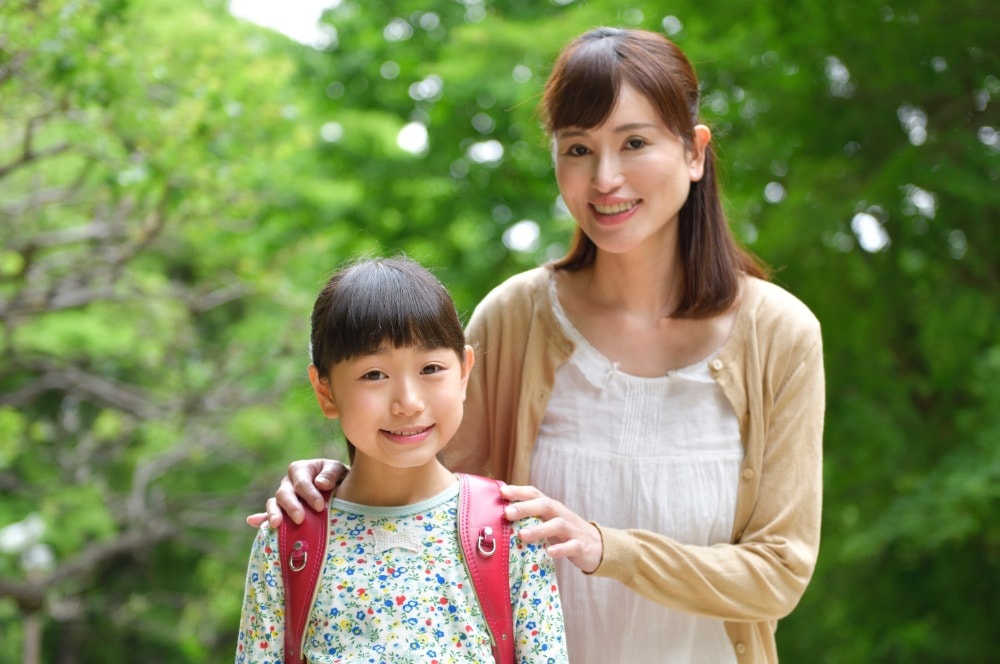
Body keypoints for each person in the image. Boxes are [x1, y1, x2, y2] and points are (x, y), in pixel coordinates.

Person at [252, 27, 824, 663]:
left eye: (634, 142)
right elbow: (424, 490)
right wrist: (335, 486)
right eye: (577, 148)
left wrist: (606, 548)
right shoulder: (514, 318)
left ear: (694, 152)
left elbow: (779, 574)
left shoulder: (780, 334)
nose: (605, 178)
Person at [236, 256, 568, 663]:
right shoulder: (290, 541)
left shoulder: (510, 530)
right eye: (374, 374)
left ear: (464, 372)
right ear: (326, 392)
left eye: (431, 367)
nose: (408, 403)